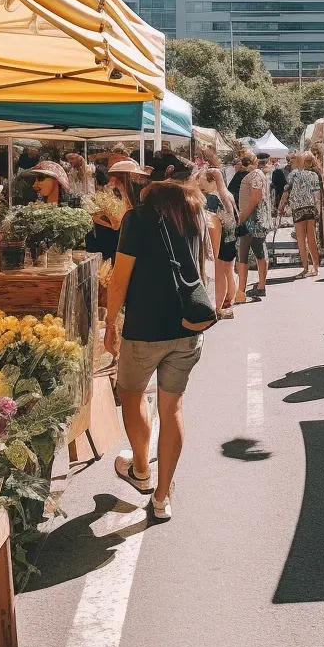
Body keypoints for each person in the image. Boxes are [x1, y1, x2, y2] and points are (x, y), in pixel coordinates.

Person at [104, 157, 214, 521]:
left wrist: (109, 322)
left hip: (145, 327)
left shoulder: (137, 219)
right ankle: (163, 497)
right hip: (188, 325)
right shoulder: (196, 214)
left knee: (131, 395)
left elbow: (120, 279)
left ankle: (140, 469)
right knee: (173, 408)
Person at [199, 168, 238, 319]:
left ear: (212, 182)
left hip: (221, 237)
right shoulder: (227, 194)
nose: (202, 187)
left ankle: (219, 307)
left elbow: (210, 221)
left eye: (203, 183)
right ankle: (229, 299)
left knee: (219, 272)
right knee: (228, 270)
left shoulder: (212, 199)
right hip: (232, 237)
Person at [234, 152, 271, 302]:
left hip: (252, 220)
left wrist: (242, 217)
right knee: (259, 251)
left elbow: (256, 197)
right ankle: (259, 286)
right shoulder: (258, 174)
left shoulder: (255, 175)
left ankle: (241, 290)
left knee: (243, 253)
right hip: (257, 219)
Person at [279, 152, 322, 278]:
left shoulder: (294, 174)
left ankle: (305, 268)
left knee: (301, 240)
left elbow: (286, 192)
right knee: (312, 238)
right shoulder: (314, 175)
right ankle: (315, 267)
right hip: (310, 208)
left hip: (298, 208)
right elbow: (317, 194)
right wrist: (317, 209)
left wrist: (280, 207)